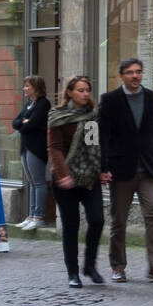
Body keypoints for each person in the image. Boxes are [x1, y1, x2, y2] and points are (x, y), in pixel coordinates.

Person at [98, 58, 153, 283]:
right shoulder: (110, 100)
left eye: (138, 72)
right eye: (130, 72)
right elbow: (103, 137)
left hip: (149, 167)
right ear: (121, 75)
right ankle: (118, 266)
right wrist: (103, 167)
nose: (135, 76)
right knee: (119, 220)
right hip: (121, 169)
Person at [47, 75, 104, 288]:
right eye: (80, 90)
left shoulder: (92, 116)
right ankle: (72, 272)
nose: (85, 94)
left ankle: (89, 266)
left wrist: (101, 170)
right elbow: (54, 148)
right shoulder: (57, 115)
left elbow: (94, 146)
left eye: (87, 90)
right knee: (71, 226)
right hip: (65, 179)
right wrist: (63, 174)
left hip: (89, 177)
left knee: (97, 219)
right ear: (69, 92)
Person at [12, 75, 51, 230]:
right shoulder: (29, 104)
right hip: (25, 146)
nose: (24, 89)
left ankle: (39, 216)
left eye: (27, 86)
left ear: (35, 87)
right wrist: (24, 122)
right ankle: (31, 215)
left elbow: (32, 124)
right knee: (31, 183)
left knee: (39, 182)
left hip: (36, 147)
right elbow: (15, 122)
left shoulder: (43, 103)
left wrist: (24, 123)